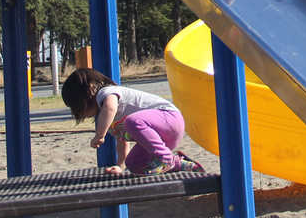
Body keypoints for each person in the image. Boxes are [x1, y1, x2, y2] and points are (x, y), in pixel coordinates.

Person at [61, 67, 204, 175]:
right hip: (161, 142)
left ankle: (167, 159)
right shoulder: (107, 120)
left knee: (132, 121)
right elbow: (122, 141)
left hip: (170, 119)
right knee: (134, 164)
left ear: (90, 91)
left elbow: (110, 108)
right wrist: (120, 166)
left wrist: (99, 135)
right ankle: (179, 163)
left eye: (77, 107)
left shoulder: (107, 93)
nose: (78, 113)